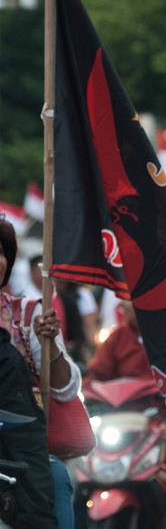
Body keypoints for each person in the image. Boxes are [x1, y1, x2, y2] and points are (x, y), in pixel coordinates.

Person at [0, 219, 82, 528]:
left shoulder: (28, 314)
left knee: (56, 476)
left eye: (0, 251)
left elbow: (65, 390)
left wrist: (50, 346)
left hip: (20, 449)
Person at [87, 300, 153, 381]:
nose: (124, 308)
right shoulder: (118, 335)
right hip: (126, 390)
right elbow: (99, 370)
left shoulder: (163, 333)